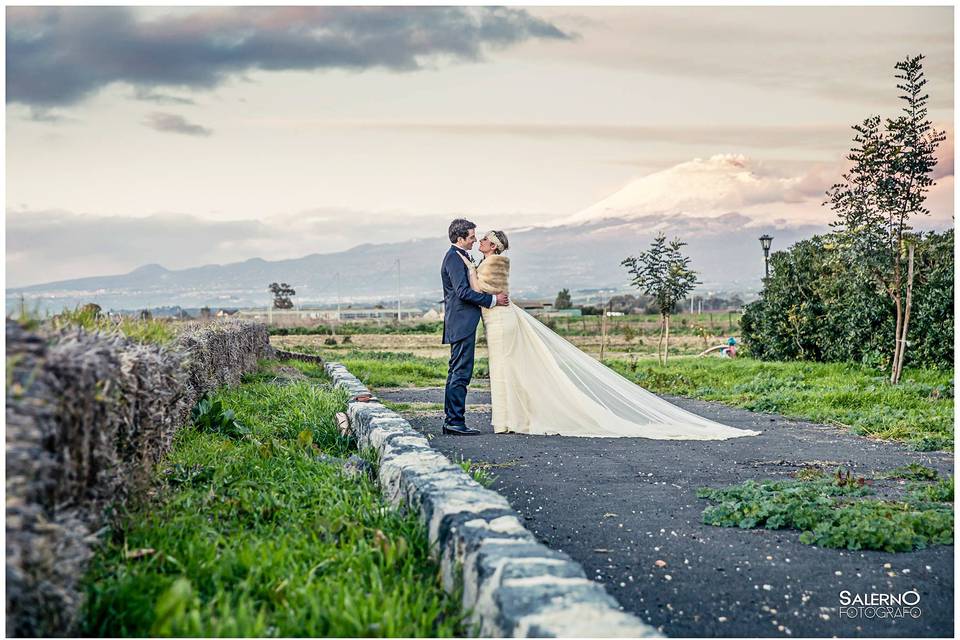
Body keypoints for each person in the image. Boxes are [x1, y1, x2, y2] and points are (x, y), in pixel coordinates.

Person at [456, 229, 763, 439]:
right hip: (495, 319)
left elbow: (488, 289)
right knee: (502, 368)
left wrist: (469, 272)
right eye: (478, 238)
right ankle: (509, 419)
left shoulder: (494, 262)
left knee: (507, 366)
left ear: (494, 245)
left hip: (501, 319)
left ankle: (512, 420)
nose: (480, 241)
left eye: (483, 239)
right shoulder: (487, 260)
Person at [441, 219, 509, 435]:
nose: (474, 239)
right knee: (460, 372)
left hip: (463, 322)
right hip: (461, 322)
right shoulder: (453, 258)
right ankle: (454, 422)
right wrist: (493, 301)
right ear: (460, 238)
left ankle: (454, 420)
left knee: (459, 371)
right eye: (471, 236)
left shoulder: (461, 256)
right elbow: (462, 292)